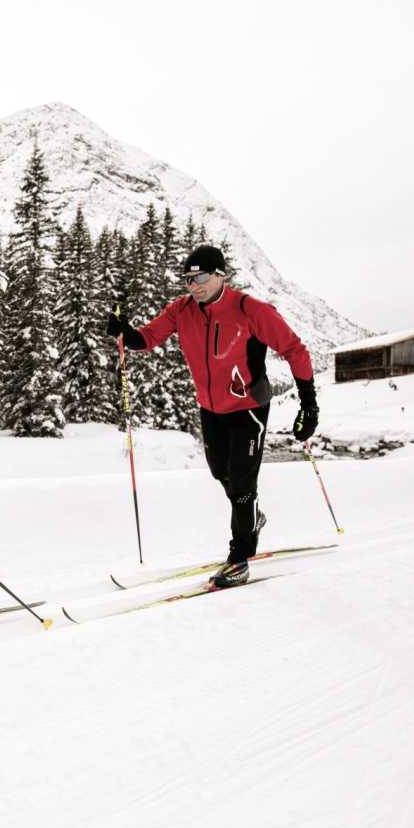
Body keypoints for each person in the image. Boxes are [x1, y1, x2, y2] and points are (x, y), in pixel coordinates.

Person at [105, 244, 319, 588]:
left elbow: (294, 349)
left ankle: (240, 557)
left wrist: (308, 404)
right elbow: (147, 338)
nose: (194, 285)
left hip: (248, 408)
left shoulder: (250, 309)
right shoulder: (181, 310)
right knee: (221, 471)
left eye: (201, 277)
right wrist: (125, 333)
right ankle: (251, 518)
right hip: (211, 408)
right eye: (188, 279)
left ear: (221, 275)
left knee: (243, 484)